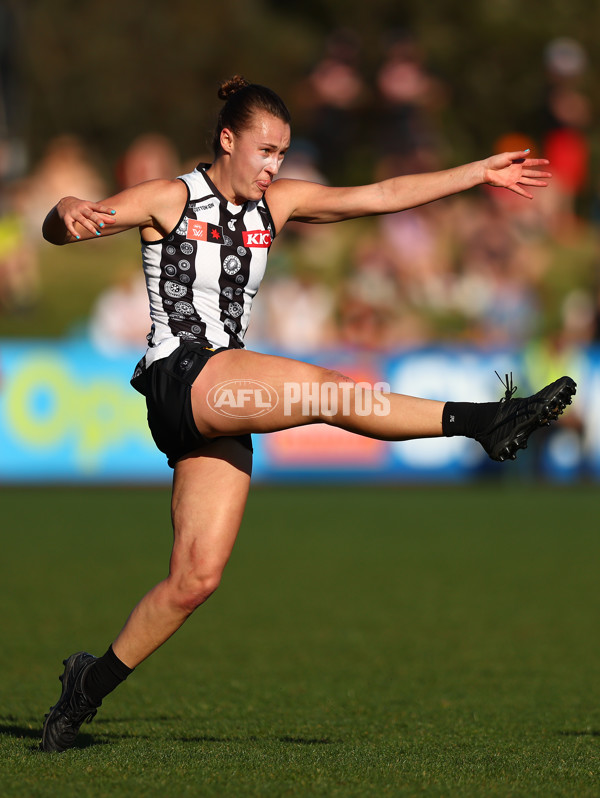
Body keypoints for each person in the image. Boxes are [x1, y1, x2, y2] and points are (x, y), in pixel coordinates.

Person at [39, 75, 576, 753]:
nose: (274, 166)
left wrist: (476, 173)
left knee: (195, 579)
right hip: (184, 378)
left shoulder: (279, 205)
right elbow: (66, 229)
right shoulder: (169, 198)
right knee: (327, 390)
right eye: (264, 151)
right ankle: (484, 421)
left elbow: (380, 196)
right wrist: (64, 208)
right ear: (227, 139)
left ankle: (82, 692)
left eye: (283, 154)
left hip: (219, 400)